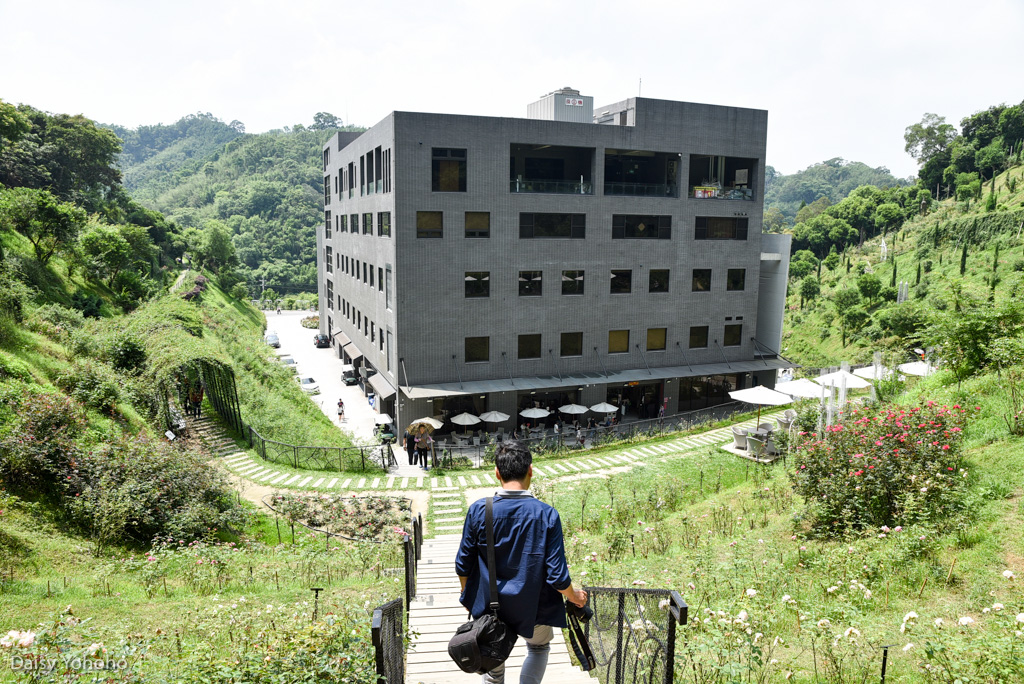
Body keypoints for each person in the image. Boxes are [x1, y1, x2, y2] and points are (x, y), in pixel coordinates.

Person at [455, 441, 587, 684]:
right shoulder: (546, 514)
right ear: (530, 470)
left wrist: (468, 594)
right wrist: (575, 596)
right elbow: (557, 575)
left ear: (497, 473)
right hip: (534, 607)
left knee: (492, 657)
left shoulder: (479, 510)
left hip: (490, 608)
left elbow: (463, 564)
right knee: (538, 649)